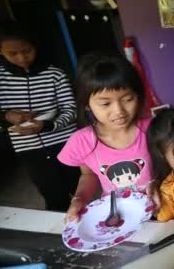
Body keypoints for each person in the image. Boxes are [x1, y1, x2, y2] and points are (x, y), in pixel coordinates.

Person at [58, 53, 155, 221]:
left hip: (158, 211)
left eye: (127, 99)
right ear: (87, 105)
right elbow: (89, 175)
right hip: (117, 216)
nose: (119, 111)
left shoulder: (153, 129)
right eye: (105, 103)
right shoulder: (82, 141)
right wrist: (79, 199)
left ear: (138, 96)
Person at [0, 23, 79, 211]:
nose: (22, 58)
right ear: (0, 52)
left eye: (27, 51)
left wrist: (48, 126)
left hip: (65, 142)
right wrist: (6, 116)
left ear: (36, 46)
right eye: (13, 53)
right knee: (52, 195)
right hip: (29, 149)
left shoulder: (54, 74)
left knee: (79, 189)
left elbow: (71, 109)